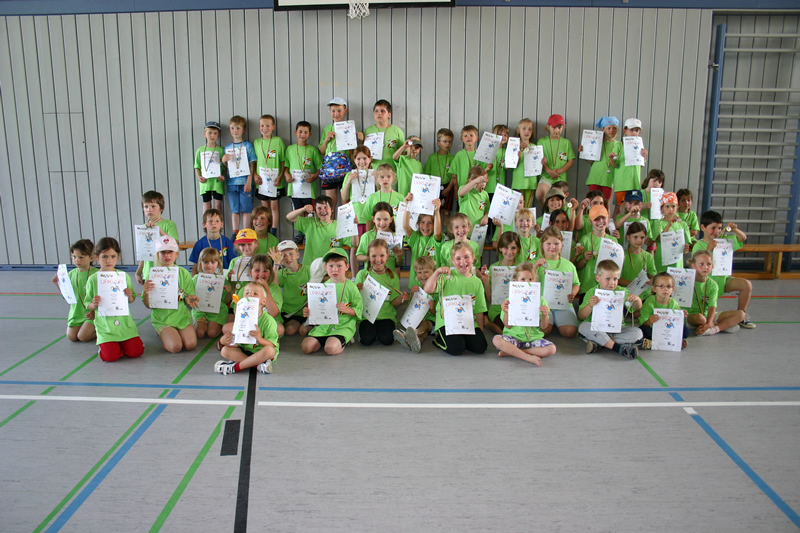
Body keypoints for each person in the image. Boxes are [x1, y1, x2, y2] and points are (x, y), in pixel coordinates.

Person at [84, 237, 144, 362]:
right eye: (104, 257)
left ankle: (122, 344)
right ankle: (105, 346)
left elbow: (132, 299)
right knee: (110, 357)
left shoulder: (123, 276)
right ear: (97, 257)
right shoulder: (93, 279)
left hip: (125, 324)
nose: (109, 260)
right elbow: (87, 303)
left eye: (113, 256)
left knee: (136, 352)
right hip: (106, 326)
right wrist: (93, 305)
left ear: (118, 256)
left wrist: (129, 295)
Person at [692, 210, 755, 328]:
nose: (717, 231)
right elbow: (697, 266)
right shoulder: (699, 245)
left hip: (723, 280)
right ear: (703, 227)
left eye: (720, 228)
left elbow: (742, 238)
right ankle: (707, 320)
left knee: (746, 285)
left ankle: (742, 315)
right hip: (707, 284)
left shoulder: (724, 240)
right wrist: (709, 249)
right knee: (702, 314)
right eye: (713, 228)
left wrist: (735, 229)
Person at [425, 242, 488, 356]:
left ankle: (461, 338)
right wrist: (437, 272)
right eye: (458, 258)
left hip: (468, 321)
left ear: (473, 258)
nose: (463, 262)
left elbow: (479, 309)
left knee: (480, 347)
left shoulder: (477, 282)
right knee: (456, 349)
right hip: (447, 322)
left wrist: (480, 332)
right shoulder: (446, 277)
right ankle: (438, 339)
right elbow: (428, 289)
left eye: (466, 257)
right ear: (453, 261)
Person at [492, 262, 557, 366]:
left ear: (536, 280)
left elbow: (544, 327)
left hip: (533, 340)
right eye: (523, 279)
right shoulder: (509, 300)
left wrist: (545, 315)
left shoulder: (541, 300)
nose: (527, 283)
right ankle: (528, 357)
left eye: (531, 279)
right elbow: (507, 326)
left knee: (551, 349)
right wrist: (506, 312)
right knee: (497, 340)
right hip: (514, 338)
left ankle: (514, 352)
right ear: (515, 281)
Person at [301, 248, 363, 355]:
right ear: (326, 267)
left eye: (339, 266)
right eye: (331, 266)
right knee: (306, 347)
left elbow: (359, 309)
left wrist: (347, 310)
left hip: (343, 326)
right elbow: (318, 307)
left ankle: (344, 340)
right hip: (324, 326)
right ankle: (328, 340)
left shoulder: (351, 287)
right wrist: (309, 312)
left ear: (347, 267)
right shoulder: (322, 287)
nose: (335, 269)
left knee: (330, 349)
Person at [142, 236, 199, 353]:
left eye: (170, 252)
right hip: (162, 318)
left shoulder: (183, 273)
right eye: (163, 252)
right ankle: (162, 331)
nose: (167, 255)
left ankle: (174, 332)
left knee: (191, 345)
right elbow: (148, 305)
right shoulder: (152, 274)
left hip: (181, 317)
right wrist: (146, 293)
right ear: (157, 254)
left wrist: (189, 299)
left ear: (176, 254)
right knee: (175, 347)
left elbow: (188, 296)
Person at [577, 259, 643, 358]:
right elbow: (581, 316)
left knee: (637, 333)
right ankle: (618, 347)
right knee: (583, 327)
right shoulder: (592, 292)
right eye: (607, 279)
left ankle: (600, 343)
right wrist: (589, 305)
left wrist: (637, 300)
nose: (612, 283)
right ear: (598, 278)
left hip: (616, 329)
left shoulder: (621, 291)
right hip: (596, 327)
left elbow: (637, 307)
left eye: (615, 279)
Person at [215, 282, 279, 375]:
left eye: (255, 293)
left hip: (261, 352)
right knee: (225, 351)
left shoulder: (268, 320)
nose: (250, 295)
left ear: (263, 301)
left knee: (270, 351)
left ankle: (236, 367)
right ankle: (257, 365)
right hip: (245, 351)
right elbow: (237, 343)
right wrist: (224, 341)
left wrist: (259, 339)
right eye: (247, 293)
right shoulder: (241, 317)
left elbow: (272, 345)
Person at [354, 239, 408, 346]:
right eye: (374, 256)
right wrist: (357, 290)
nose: (378, 259)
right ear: (368, 257)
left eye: (382, 255)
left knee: (387, 340)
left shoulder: (393, 276)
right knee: (367, 340)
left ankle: (381, 331)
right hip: (367, 316)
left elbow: (394, 302)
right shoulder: (362, 274)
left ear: (387, 256)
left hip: (386, 315)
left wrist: (401, 298)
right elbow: (355, 300)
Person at [685, 250, 745, 335]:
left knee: (741, 314)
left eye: (709, 264)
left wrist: (709, 322)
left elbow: (712, 306)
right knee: (700, 318)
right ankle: (722, 325)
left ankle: (713, 329)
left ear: (712, 266)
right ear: (693, 265)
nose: (705, 267)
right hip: (691, 317)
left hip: (707, 315)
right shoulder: (686, 280)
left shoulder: (713, 285)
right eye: (701, 264)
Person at [536, 226, 580, 338]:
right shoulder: (535, 263)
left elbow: (576, 284)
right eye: (548, 243)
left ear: (562, 244)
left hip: (563, 304)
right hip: (542, 305)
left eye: (556, 243)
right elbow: (527, 283)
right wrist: (534, 268)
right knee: (543, 331)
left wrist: (572, 294)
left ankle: (557, 321)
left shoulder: (568, 265)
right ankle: (552, 321)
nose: (552, 247)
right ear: (542, 245)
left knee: (570, 332)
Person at [284, 120, 323, 244]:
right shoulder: (290, 149)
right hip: (294, 188)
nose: (302, 134)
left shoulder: (312, 150)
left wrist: (315, 176)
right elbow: (286, 166)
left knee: (309, 211)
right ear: (295, 132)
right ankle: (299, 233)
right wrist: (287, 175)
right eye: (300, 131)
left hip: (308, 188)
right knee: (297, 210)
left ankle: (308, 233)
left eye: (306, 132)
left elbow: (320, 167)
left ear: (310, 134)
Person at [51, 239, 96, 342]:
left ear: (91, 258)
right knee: (72, 337)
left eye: (81, 257)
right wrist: (58, 284)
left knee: (83, 337)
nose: (77, 260)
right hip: (77, 312)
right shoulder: (71, 274)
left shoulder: (96, 274)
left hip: (91, 313)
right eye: (74, 257)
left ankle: (101, 330)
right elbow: (67, 295)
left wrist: (93, 310)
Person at [287, 195, 351, 265]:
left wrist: (353, 225)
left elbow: (353, 243)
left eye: (325, 207)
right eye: (319, 208)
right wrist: (303, 209)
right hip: (310, 267)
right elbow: (289, 217)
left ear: (332, 209)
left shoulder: (340, 226)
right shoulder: (310, 223)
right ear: (315, 211)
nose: (323, 211)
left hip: (331, 268)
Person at [319, 97, 358, 209]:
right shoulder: (327, 128)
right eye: (333, 111)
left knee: (346, 202)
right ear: (329, 111)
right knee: (330, 203)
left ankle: (346, 221)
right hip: (329, 171)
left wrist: (359, 140)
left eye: (339, 110)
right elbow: (322, 151)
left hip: (345, 171)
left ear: (345, 111)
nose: (336, 114)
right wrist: (326, 139)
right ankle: (330, 221)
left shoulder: (350, 127)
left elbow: (355, 153)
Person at [221, 115, 257, 236]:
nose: (235, 131)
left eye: (238, 128)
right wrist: (223, 161)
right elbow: (228, 167)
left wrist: (249, 181)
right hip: (232, 183)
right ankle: (235, 233)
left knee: (246, 209)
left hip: (245, 183)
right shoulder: (227, 148)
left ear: (244, 130)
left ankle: (245, 232)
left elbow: (252, 164)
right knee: (235, 209)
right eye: (232, 128)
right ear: (229, 129)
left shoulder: (248, 146)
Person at [394, 256, 438, 353]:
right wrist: (413, 294)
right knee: (423, 333)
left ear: (434, 272)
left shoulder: (437, 288)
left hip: (434, 322)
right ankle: (417, 343)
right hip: (420, 320)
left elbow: (437, 313)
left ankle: (408, 336)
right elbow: (412, 307)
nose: (423, 275)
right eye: (419, 272)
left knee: (425, 324)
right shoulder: (418, 287)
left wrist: (432, 307)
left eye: (426, 272)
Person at [340, 146, 374, 271]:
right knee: (355, 247)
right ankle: (354, 276)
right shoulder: (350, 175)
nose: (362, 161)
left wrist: (377, 180)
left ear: (370, 159)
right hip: (356, 218)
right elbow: (343, 197)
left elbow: (381, 194)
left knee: (370, 247)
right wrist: (349, 181)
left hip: (370, 217)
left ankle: (369, 273)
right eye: (358, 158)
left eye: (364, 158)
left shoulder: (374, 174)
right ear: (354, 160)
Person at [135, 190, 180, 284]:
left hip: (166, 271)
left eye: (153, 206)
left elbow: (174, 243)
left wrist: (158, 230)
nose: (149, 209)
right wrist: (138, 272)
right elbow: (143, 253)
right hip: (149, 272)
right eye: (146, 206)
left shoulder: (169, 224)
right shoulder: (143, 228)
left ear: (161, 208)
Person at [574, 204, 619, 296]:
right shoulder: (585, 239)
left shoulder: (613, 241)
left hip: (607, 287)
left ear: (608, 218)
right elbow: (578, 266)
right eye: (596, 219)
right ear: (590, 221)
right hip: (587, 287)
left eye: (603, 218)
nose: (601, 221)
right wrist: (585, 259)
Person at [252, 114, 286, 234]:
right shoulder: (256, 142)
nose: (264, 128)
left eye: (267, 125)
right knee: (264, 208)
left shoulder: (278, 141)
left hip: (275, 181)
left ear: (273, 127)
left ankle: (273, 230)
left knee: (274, 206)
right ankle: (265, 230)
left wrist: (281, 176)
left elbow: (283, 161)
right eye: (262, 125)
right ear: (259, 127)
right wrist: (254, 175)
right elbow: (253, 162)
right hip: (261, 181)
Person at [269, 240, 311, 337]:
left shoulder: (308, 270)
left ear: (297, 255)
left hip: (302, 312)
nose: (288, 258)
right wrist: (276, 264)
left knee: (291, 330)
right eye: (283, 255)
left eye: (291, 254)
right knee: (287, 330)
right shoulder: (282, 273)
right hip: (286, 311)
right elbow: (274, 286)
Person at [482, 231, 521, 334]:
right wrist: (486, 281)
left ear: (518, 249)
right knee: (506, 330)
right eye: (506, 248)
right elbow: (490, 299)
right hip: (497, 308)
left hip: (517, 307)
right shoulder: (494, 268)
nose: (509, 251)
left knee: (518, 330)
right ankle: (488, 324)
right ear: (500, 248)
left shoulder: (521, 268)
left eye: (513, 248)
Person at [638, 271, 689, 350]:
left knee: (686, 330)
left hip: (669, 331)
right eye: (661, 286)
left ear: (672, 289)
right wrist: (649, 321)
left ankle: (654, 342)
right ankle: (672, 341)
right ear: (654, 288)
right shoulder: (649, 302)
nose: (665, 289)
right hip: (654, 330)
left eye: (668, 287)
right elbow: (642, 322)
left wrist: (682, 316)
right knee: (642, 330)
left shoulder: (674, 303)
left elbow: (677, 323)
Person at [403, 193, 443, 289]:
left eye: (430, 223)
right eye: (423, 222)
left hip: (433, 284)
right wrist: (408, 205)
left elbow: (437, 232)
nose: (425, 226)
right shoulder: (415, 237)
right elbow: (405, 226)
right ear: (418, 223)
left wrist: (437, 211)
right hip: (416, 283)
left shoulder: (436, 239)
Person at [537, 114, 575, 207]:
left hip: (560, 177)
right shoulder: (542, 141)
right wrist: (549, 171)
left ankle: (559, 214)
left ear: (563, 127)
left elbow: (570, 160)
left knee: (559, 198)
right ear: (548, 127)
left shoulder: (566, 143)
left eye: (559, 127)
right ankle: (546, 212)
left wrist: (559, 172)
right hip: (546, 175)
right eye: (554, 127)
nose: (557, 130)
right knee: (540, 194)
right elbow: (537, 159)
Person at [192, 247, 230, 340]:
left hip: (217, 311)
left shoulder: (221, 280)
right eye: (206, 262)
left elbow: (226, 300)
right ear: (200, 264)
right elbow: (189, 296)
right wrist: (192, 296)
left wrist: (229, 292)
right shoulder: (196, 279)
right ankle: (203, 323)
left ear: (218, 264)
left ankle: (218, 326)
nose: (209, 265)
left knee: (212, 333)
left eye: (213, 262)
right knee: (199, 333)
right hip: (200, 311)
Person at [613, 118, 648, 217]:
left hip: (635, 183)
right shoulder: (618, 145)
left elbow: (640, 166)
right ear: (625, 130)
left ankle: (631, 226)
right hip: (622, 183)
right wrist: (611, 158)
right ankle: (615, 226)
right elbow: (614, 165)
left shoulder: (640, 145)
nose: (634, 133)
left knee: (634, 209)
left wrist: (644, 156)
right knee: (618, 209)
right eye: (631, 130)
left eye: (637, 130)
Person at [648, 192, 691, 272]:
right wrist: (669, 224)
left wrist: (686, 249)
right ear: (662, 208)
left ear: (677, 207)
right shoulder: (658, 223)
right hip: (662, 262)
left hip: (677, 263)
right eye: (667, 206)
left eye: (673, 206)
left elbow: (687, 245)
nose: (670, 209)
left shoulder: (683, 225)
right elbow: (660, 239)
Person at [581, 116, 621, 201]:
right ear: (603, 129)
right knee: (592, 201)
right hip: (595, 176)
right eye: (609, 128)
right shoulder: (597, 142)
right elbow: (591, 162)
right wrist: (583, 152)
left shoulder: (619, 145)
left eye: (614, 128)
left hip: (608, 178)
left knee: (606, 202)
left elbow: (617, 165)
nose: (611, 130)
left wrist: (612, 159)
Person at [357, 202, 403, 271]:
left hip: (388, 276)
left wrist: (398, 257)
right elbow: (358, 256)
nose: (382, 223)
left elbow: (399, 263)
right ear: (373, 219)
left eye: (385, 219)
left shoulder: (396, 238)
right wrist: (370, 257)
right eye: (378, 219)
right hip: (371, 275)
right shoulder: (366, 236)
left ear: (391, 219)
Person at [424, 128, 455, 227]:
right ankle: (433, 232)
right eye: (445, 141)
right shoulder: (432, 157)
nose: (447, 144)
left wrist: (448, 188)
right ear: (438, 143)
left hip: (448, 187)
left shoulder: (452, 158)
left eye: (450, 141)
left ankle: (445, 233)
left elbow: (454, 176)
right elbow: (426, 175)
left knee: (446, 212)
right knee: (433, 211)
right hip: (433, 188)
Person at [190, 208, 237, 275]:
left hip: (224, 277)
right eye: (210, 221)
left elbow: (234, 263)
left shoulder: (227, 242)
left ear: (221, 224)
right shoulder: (199, 244)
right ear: (204, 224)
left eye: (217, 221)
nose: (214, 223)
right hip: (205, 278)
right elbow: (195, 266)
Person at [194, 120, 226, 213]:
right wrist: (199, 177)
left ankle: (218, 222)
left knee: (217, 205)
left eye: (215, 133)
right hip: (205, 182)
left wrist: (223, 176)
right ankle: (206, 222)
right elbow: (197, 166)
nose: (212, 135)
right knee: (206, 204)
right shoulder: (200, 150)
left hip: (217, 182)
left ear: (219, 135)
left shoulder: (221, 150)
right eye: (210, 133)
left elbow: (224, 167)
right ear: (204, 134)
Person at [450, 125, 492, 196]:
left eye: (471, 135)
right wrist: (456, 190)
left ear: (477, 138)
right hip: (463, 189)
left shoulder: (481, 154)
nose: (468, 137)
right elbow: (454, 175)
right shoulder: (459, 155)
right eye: (465, 136)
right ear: (462, 139)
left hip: (477, 190)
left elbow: (484, 172)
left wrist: (488, 168)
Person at [364, 99, 405, 170]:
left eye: (382, 111)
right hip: (374, 170)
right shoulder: (368, 131)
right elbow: (363, 152)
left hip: (392, 170)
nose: (379, 113)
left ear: (389, 114)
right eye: (376, 111)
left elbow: (403, 153)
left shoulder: (397, 131)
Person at [364, 164, 404, 229]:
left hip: (394, 233)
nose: (385, 179)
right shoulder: (372, 197)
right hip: (376, 233)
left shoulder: (400, 197)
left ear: (393, 178)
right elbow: (369, 219)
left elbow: (403, 218)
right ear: (377, 179)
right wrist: (369, 234)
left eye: (388, 176)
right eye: (382, 177)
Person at [510, 118, 538, 208]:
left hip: (531, 183)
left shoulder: (535, 148)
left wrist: (542, 161)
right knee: (516, 208)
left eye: (530, 129)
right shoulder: (513, 147)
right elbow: (510, 166)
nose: (527, 131)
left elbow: (538, 166)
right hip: (518, 182)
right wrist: (517, 155)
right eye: (524, 128)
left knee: (527, 209)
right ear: (518, 131)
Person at [619, 221, 656, 288]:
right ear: (628, 237)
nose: (639, 240)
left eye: (642, 237)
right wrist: (636, 284)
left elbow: (653, 276)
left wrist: (652, 280)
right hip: (626, 292)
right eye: (635, 237)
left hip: (644, 293)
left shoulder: (648, 256)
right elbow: (617, 279)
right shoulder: (622, 255)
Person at [458, 165, 490, 230]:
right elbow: (461, 193)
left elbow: (487, 210)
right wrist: (475, 181)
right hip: (464, 230)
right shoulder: (466, 191)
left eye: (484, 181)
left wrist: (486, 217)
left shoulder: (485, 194)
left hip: (478, 230)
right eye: (480, 181)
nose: (483, 184)